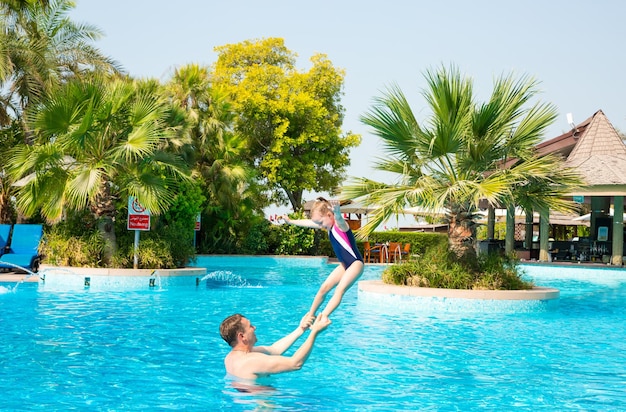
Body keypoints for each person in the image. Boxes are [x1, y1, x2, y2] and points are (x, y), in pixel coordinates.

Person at [282, 197, 365, 320]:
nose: (320, 226)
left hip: (356, 263)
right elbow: (309, 223)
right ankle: (311, 315)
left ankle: (324, 316)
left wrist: (337, 212)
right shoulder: (328, 227)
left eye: (321, 222)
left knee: (339, 290)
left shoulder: (340, 226)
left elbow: (340, 219)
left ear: (329, 215)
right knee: (324, 288)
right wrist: (291, 222)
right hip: (344, 265)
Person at [220, 313, 331, 380]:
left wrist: (300, 329)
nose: (254, 327)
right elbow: (296, 364)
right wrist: (314, 333)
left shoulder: (231, 357)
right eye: (250, 326)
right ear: (242, 336)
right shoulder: (252, 360)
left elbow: (275, 349)